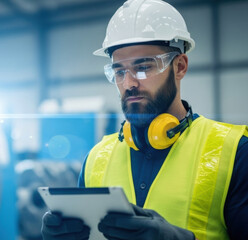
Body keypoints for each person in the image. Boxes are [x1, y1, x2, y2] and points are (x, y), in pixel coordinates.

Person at [41, 0, 248, 239]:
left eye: (144, 67)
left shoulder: (234, 153)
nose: (129, 83)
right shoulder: (96, 159)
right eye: (119, 71)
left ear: (180, 67)